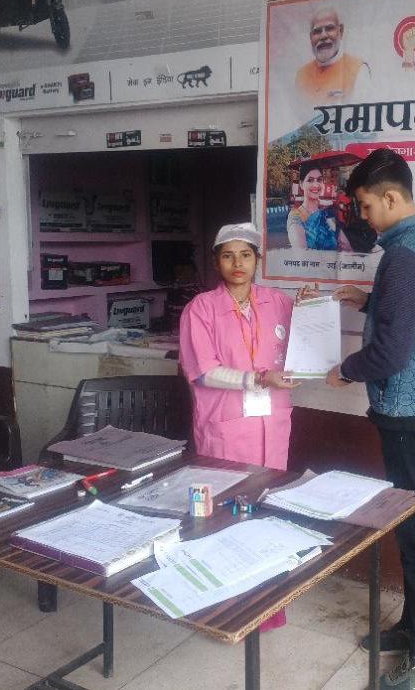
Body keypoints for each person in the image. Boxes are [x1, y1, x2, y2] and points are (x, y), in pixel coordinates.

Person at [308, 148, 415, 690]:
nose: (364, 218)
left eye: (367, 206)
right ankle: (414, 628)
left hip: (407, 410)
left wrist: (345, 370)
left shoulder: (403, 257)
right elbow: (413, 314)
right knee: (411, 525)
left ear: (392, 198)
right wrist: (366, 302)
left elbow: (391, 352)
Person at [178, 223, 298, 630]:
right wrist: (258, 378)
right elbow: (204, 370)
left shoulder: (279, 302)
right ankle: (225, 609)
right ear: (216, 262)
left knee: (267, 509)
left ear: (257, 259)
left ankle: (267, 608)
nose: (237, 264)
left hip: (272, 424)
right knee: (225, 512)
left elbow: (303, 347)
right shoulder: (201, 309)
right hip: (225, 426)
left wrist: (313, 309)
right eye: (228, 256)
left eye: (245, 255)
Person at [294, 6, 372, 107]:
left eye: (329, 28)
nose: (323, 36)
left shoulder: (358, 69)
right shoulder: (301, 75)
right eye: (317, 31)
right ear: (311, 37)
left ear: (341, 31)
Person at [287, 159, 351, 251]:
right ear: (301, 184)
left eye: (319, 180)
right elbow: (301, 254)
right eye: (310, 180)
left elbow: (345, 245)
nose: (316, 185)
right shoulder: (296, 217)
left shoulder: (328, 215)